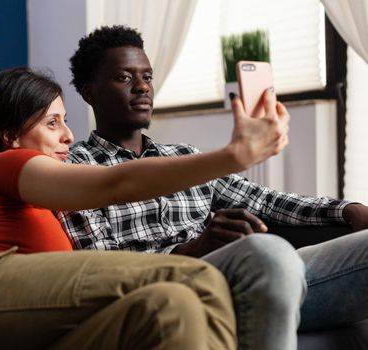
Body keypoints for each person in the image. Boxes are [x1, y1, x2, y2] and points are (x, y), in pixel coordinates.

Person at [0, 66, 289, 350]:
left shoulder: (51, 209)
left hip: (22, 328)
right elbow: (116, 183)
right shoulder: (1, 164)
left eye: (67, 121)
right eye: (52, 122)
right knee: (196, 279)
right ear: (10, 136)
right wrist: (232, 156)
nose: (69, 136)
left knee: (170, 308)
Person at [59, 25, 368, 350]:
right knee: (267, 250)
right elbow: (100, 265)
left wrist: (348, 209)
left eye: (147, 77)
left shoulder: (184, 157)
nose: (141, 88)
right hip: (176, 289)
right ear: (90, 92)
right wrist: (196, 248)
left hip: (254, 279)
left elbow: (268, 201)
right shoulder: (75, 167)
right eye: (124, 78)